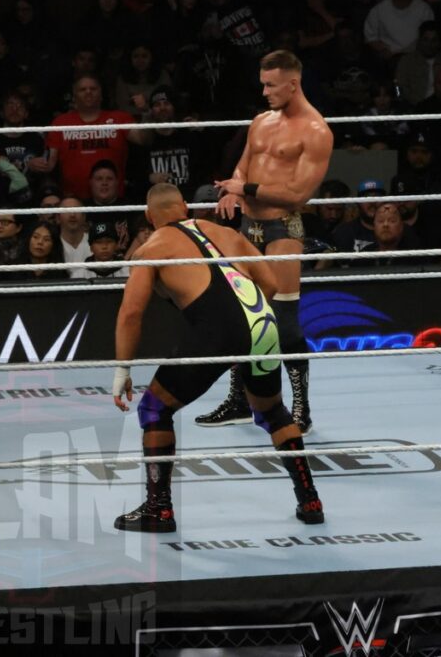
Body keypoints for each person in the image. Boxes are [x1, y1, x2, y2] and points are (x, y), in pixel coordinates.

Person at [111, 184, 323, 532]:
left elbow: (131, 313)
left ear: (149, 217)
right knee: (272, 411)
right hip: (262, 320)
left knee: (154, 409)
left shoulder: (151, 249)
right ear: (184, 207)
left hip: (217, 329)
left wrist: (122, 368)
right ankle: (310, 500)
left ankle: (158, 509)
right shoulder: (226, 232)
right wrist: (245, 330)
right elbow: (269, 284)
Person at [198, 50, 333, 434]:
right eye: (262, 83)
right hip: (248, 229)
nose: (265, 91)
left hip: (282, 231)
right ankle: (240, 400)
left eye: (271, 85)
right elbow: (244, 162)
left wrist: (248, 187)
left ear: (294, 83)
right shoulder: (260, 121)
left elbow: (296, 195)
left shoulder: (316, 131)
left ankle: (301, 409)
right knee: (244, 316)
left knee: (285, 323)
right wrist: (233, 193)